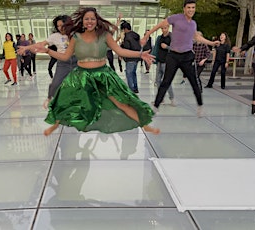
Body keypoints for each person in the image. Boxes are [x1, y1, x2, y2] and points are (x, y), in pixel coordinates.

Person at [29, 7, 159, 136]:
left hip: (102, 75)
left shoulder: (105, 36)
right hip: (80, 76)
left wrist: (140, 54)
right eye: (86, 19)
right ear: (82, 21)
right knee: (64, 101)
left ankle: (145, 126)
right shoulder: (76, 37)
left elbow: (120, 51)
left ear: (97, 20)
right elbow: (65, 57)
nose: (89, 21)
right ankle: (55, 124)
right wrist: (47, 51)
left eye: (92, 19)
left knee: (121, 102)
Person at [141, 0, 219, 117]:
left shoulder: (193, 24)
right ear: (184, 8)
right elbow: (160, 25)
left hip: (187, 57)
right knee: (166, 81)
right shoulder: (176, 18)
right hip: (173, 55)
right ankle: (155, 106)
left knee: (194, 82)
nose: (191, 10)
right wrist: (147, 35)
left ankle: (200, 106)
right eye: (189, 7)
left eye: (193, 7)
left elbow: (197, 37)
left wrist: (212, 43)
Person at [18, 15, 77, 109]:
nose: (60, 28)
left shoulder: (76, 33)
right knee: (56, 83)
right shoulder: (55, 36)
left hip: (76, 61)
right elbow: (41, 44)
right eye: (58, 26)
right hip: (62, 62)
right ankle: (50, 98)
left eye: (62, 25)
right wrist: (26, 48)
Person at [152, 25, 175, 106]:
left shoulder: (172, 37)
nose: (163, 30)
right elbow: (156, 49)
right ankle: (161, 99)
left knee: (167, 81)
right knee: (158, 80)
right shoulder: (159, 37)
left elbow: (176, 48)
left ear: (168, 27)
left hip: (167, 62)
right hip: (159, 61)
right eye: (162, 28)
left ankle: (172, 99)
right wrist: (154, 58)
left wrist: (167, 47)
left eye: (165, 28)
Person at [121, 20, 141, 93]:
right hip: (137, 56)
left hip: (130, 57)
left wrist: (122, 44)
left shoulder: (127, 37)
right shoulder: (136, 35)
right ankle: (135, 88)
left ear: (125, 29)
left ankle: (131, 89)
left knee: (129, 73)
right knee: (133, 73)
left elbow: (127, 47)